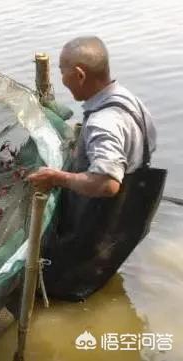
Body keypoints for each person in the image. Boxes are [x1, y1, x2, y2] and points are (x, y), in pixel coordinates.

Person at [27, 36, 166, 301]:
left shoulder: (103, 121)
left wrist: (57, 176)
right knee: (99, 262)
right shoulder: (128, 100)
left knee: (58, 288)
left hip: (100, 216)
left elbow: (107, 184)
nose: (62, 79)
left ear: (79, 74)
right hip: (127, 217)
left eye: (62, 71)